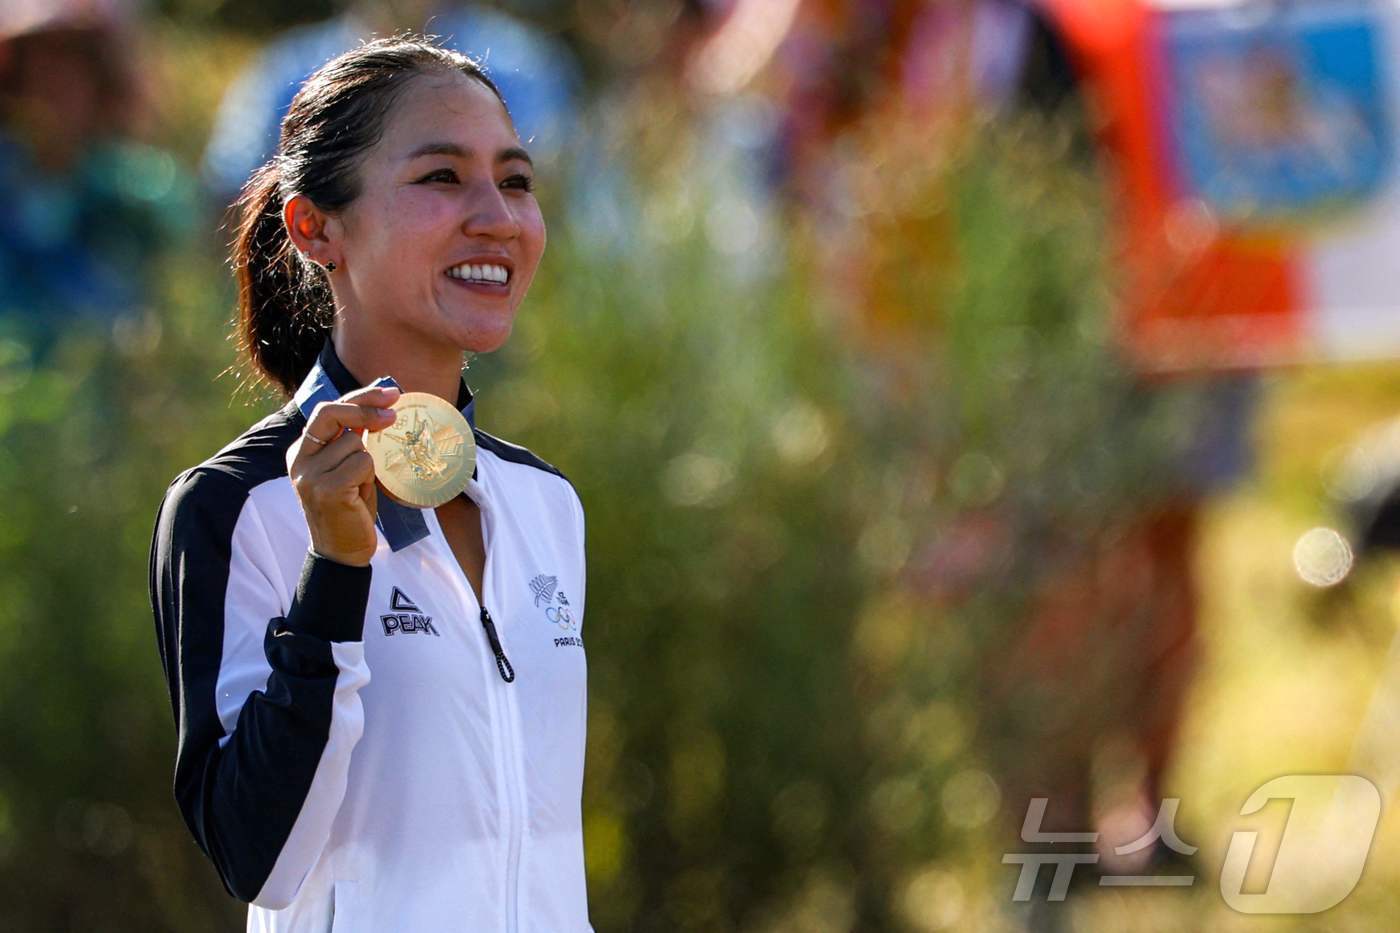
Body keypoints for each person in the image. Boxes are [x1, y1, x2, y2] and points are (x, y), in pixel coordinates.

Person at [149, 37, 590, 930]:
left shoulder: (547, 504)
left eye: (514, 180)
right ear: (315, 227)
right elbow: (256, 856)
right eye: (440, 177)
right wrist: (337, 573)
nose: (498, 217)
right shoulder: (235, 508)